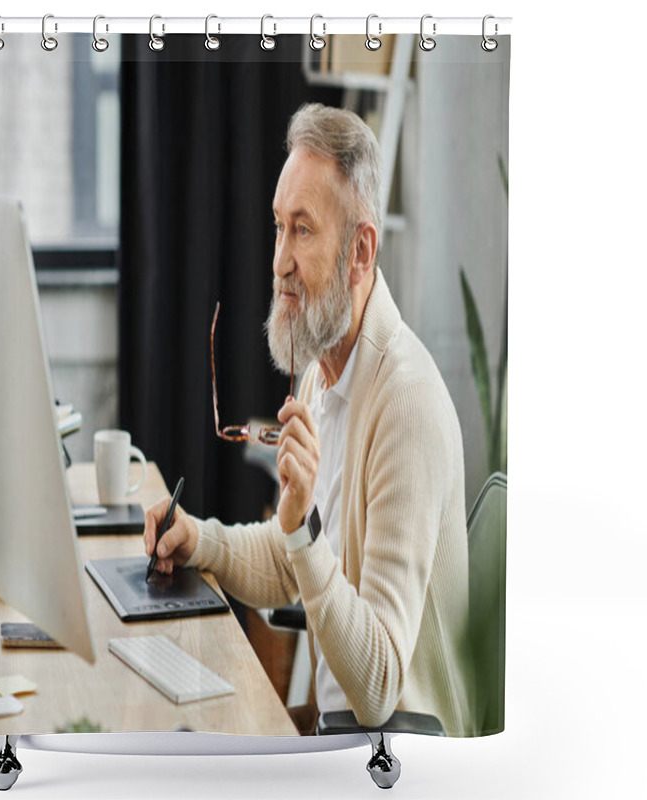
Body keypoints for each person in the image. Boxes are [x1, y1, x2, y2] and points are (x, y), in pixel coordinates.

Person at [145, 103, 473, 736]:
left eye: (302, 230)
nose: (278, 262)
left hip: (395, 747)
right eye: (278, 227)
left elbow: (379, 685)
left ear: (360, 250)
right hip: (339, 729)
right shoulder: (324, 368)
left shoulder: (406, 404)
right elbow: (288, 554)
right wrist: (200, 540)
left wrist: (300, 531)